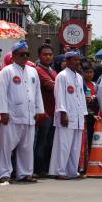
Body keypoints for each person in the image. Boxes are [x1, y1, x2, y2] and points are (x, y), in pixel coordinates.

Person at [0, 41, 46, 183]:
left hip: (29, 115)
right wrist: (3, 112)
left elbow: (37, 93)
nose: (25, 56)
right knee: (6, 147)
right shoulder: (6, 71)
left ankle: (25, 173)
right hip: (11, 115)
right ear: (13, 56)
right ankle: (4, 174)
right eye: (21, 54)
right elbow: (1, 93)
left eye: (27, 54)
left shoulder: (33, 71)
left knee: (27, 147)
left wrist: (38, 110)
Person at [49, 51, 87, 180]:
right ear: (68, 61)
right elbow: (59, 95)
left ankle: (72, 171)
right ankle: (60, 171)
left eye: (79, 60)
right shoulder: (62, 76)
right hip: (66, 116)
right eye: (75, 60)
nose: (78, 62)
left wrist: (83, 114)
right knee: (64, 145)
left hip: (78, 117)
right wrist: (62, 113)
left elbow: (81, 97)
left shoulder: (79, 77)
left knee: (75, 147)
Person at [33, 44, 57, 176]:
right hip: (44, 113)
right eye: (45, 54)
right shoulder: (38, 70)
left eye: (50, 54)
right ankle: (39, 168)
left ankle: (46, 167)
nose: (48, 56)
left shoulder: (52, 71)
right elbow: (51, 85)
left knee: (49, 142)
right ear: (39, 56)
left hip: (54, 112)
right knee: (41, 143)